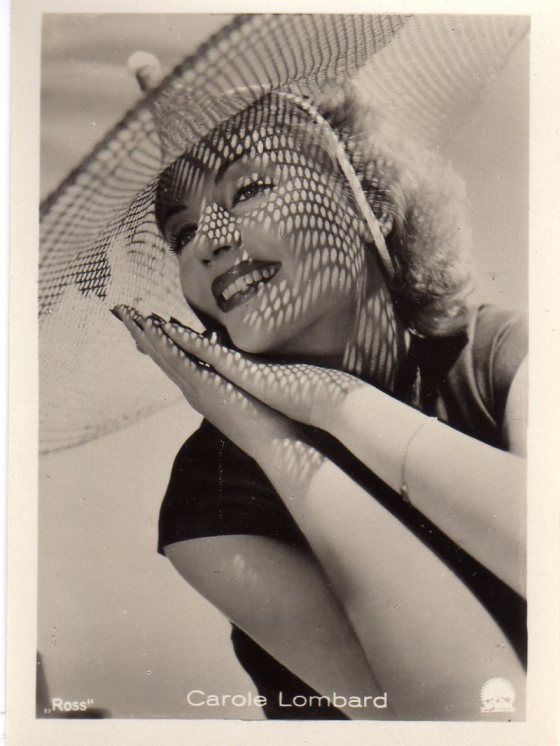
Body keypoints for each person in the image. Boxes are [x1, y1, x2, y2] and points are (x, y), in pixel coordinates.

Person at [113, 84, 527, 720]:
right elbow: (472, 718)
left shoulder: (501, 354)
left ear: (369, 203)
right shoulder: (211, 492)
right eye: (183, 231)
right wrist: (277, 445)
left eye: (249, 190)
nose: (207, 242)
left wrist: (335, 402)